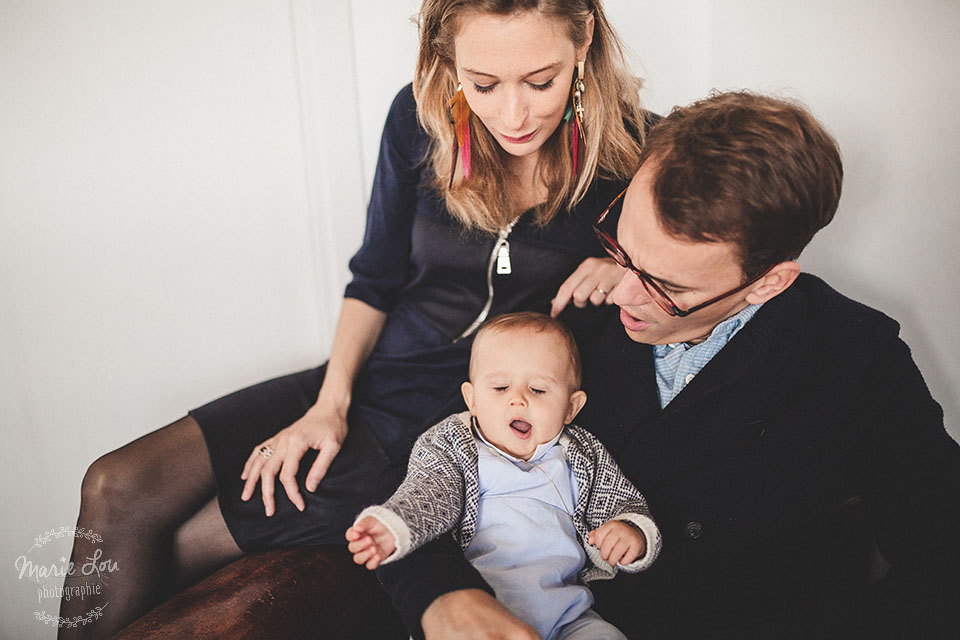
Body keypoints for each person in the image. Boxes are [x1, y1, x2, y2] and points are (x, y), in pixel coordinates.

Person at [59, 1, 652, 637]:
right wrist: (328, 405)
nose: (513, 114)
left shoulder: (640, 153)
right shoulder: (419, 119)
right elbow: (374, 277)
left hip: (452, 430)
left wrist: (634, 270)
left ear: (584, 37)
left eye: (541, 82)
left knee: (182, 548)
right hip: (368, 373)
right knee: (116, 484)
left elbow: (723, 258)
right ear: (448, 62)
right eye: (482, 85)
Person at [375, 91, 960, 639]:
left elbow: (942, 560)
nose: (624, 292)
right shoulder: (580, 310)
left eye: (665, 285)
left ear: (769, 283)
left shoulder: (857, 360)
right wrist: (440, 596)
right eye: (621, 248)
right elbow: (434, 458)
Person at [346, 312, 660, 640]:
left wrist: (630, 531)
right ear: (472, 399)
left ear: (571, 407)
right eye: (499, 387)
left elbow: (619, 500)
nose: (517, 399)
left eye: (538, 390)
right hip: (480, 611)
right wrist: (396, 524)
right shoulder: (456, 442)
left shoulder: (582, 453)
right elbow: (430, 490)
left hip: (568, 613)